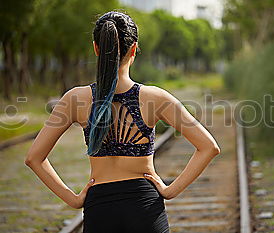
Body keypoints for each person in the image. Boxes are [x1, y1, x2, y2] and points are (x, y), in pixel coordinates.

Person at [24, 11, 220, 233]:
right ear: (134, 49)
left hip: (100, 209)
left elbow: (34, 158)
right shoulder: (156, 98)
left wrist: (74, 199)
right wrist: (170, 190)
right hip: (145, 208)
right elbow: (208, 147)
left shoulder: (74, 99)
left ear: (96, 48)